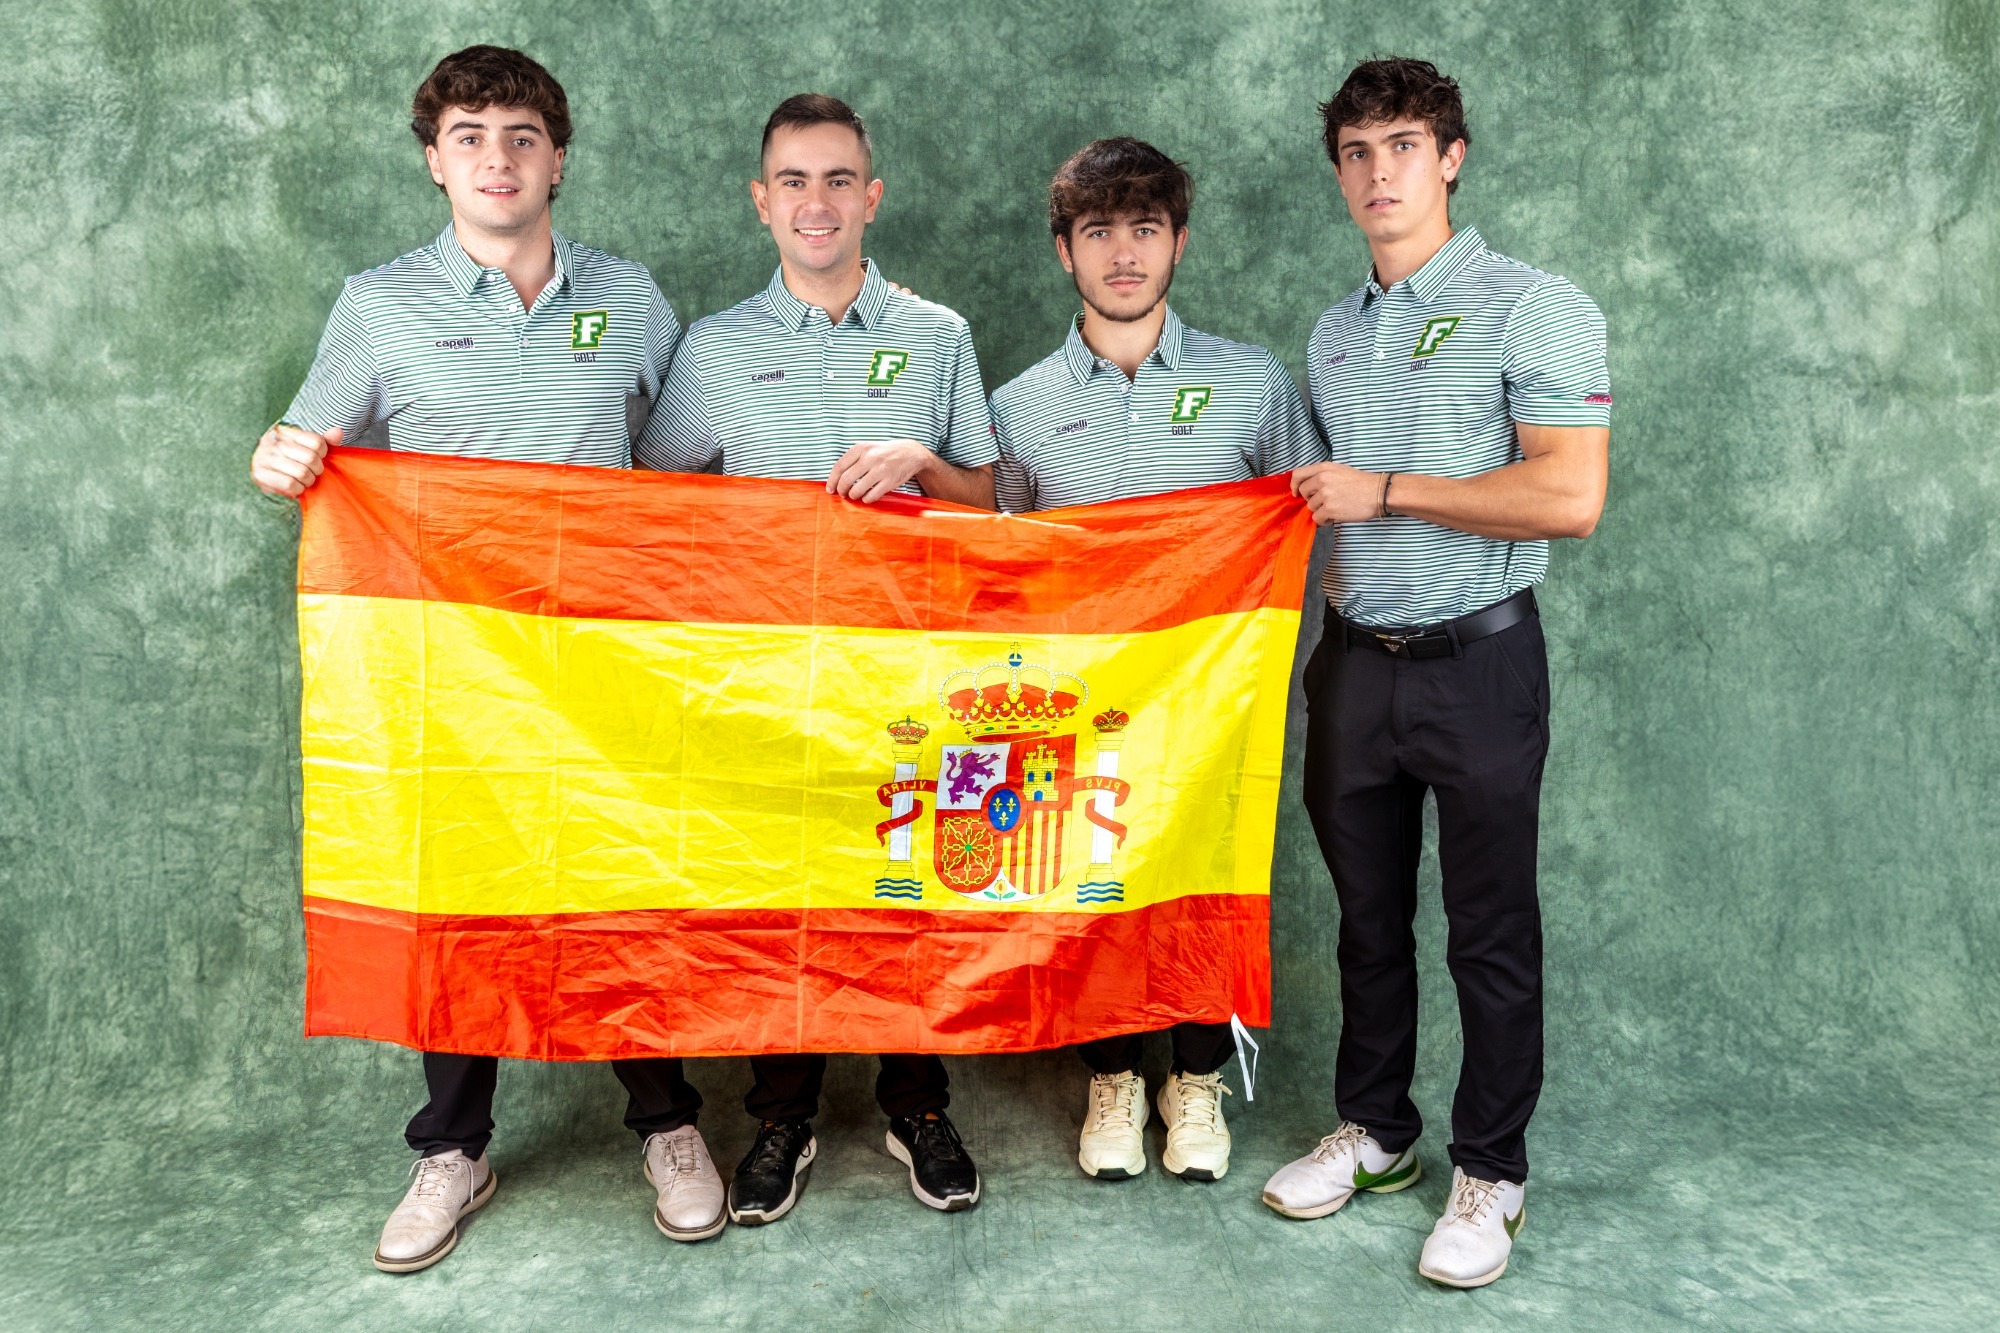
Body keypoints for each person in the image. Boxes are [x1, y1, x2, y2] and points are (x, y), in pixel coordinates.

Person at [248, 45, 727, 1271]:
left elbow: (682, 470)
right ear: (433, 160)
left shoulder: (628, 299)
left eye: (520, 135)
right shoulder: (376, 304)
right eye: (469, 136)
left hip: (606, 664)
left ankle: (668, 1122)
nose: (497, 158)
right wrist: (284, 455)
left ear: (556, 158)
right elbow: (310, 439)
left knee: (619, 881)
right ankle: (452, 1146)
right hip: (448, 673)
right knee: (459, 899)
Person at [1259, 58, 1610, 1289]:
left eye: (1401, 146)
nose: (1376, 174)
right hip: (1352, 669)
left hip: (1479, 664)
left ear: (1450, 156)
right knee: (1365, 923)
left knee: (1487, 932)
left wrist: (1390, 489)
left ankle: (1490, 1171)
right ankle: (1377, 1134)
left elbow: (1569, 494)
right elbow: (1302, 499)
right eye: (1354, 153)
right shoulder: (1331, 331)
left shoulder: (1535, 306)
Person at [637, 93, 995, 1223]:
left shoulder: (937, 335)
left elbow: (988, 502)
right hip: (761, 680)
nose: (816, 201)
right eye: (793, 180)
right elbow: (646, 504)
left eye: (838, 179)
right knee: (778, 897)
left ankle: (915, 1101)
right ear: (761, 200)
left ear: (870, 196)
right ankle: (781, 1112)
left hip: (905, 673)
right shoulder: (715, 346)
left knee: (903, 891)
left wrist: (920, 461)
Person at [988, 138, 1325, 1183]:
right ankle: (1112, 1078)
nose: (1122, 253)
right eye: (1097, 232)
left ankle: (1195, 1081)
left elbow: (1304, 517)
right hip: (1083, 700)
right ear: (1064, 252)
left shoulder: (1250, 382)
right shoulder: (1018, 405)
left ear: (1177, 240)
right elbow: (997, 566)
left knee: (1200, 883)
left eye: (1143, 229)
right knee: (1089, 881)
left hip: (1217, 698)